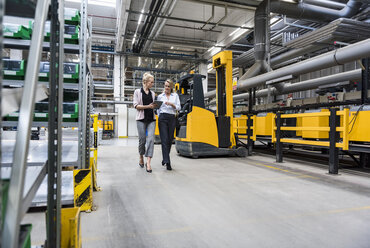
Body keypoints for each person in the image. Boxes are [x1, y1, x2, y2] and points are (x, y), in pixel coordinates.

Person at [133, 72, 156, 173]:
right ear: (146, 82)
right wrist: (148, 106)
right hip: (141, 119)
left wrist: (155, 106)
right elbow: (136, 106)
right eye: (151, 82)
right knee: (142, 140)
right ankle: (141, 156)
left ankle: (149, 162)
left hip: (151, 119)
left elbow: (153, 106)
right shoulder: (137, 92)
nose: (152, 84)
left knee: (151, 140)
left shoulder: (153, 94)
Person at [157, 79, 181, 170]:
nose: (166, 88)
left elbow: (179, 107)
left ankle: (164, 158)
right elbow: (158, 109)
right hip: (162, 118)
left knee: (170, 140)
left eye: (168, 86)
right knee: (164, 139)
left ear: (171, 87)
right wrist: (160, 116)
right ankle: (168, 162)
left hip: (172, 118)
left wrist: (172, 104)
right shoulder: (160, 96)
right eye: (165, 86)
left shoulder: (175, 96)